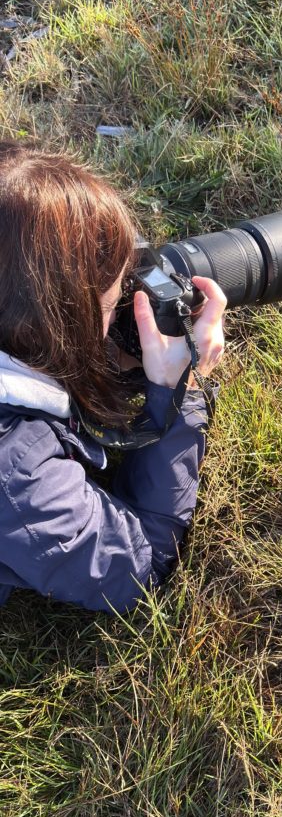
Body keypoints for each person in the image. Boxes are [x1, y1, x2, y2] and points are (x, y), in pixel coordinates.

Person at [0, 139, 225, 613]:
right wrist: (177, 390)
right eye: (110, 299)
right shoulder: (13, 469)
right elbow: (137, 566)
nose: (124, 303)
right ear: (56, 323)